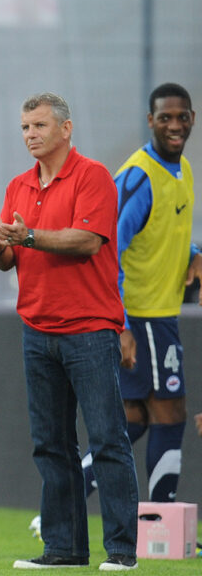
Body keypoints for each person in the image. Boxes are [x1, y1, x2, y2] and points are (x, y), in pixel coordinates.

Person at [0, 92, 139, 571]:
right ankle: (63, 549)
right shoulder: (19, 185)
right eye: (24, 127)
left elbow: (86, 241)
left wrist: (24, 236)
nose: (31, 135)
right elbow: (7, 260)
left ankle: (122, 551)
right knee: (51, 444)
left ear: (66, 129)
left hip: (89, 328)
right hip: (36, 328)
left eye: (40, 125)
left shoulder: (94, 176)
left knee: (107, 438)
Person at [80, 83, 198, 504]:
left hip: (158, 313)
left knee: (132, 419)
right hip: (142, 314)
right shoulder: (138, 177)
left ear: (192, 119)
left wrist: (194, 254)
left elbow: (161, 235)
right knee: (170, 414)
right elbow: (108, 247)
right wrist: (122, 324)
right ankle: (160, 518)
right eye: (165, 117)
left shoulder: (181, 170)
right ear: (150, 121)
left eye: (181, 116)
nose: (174, 124)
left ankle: (63, 505)